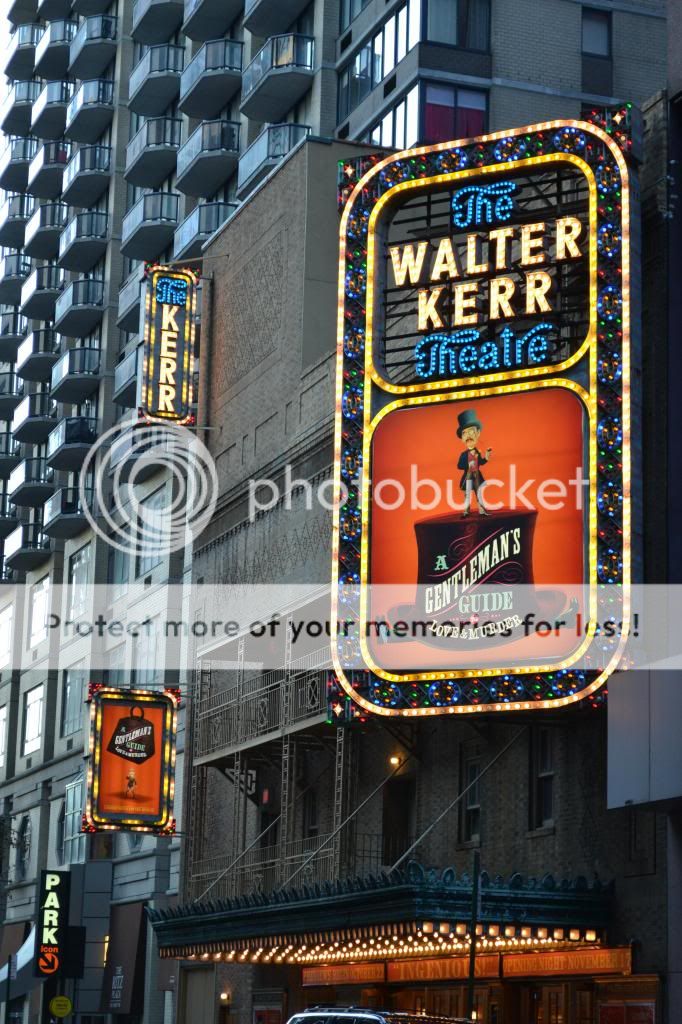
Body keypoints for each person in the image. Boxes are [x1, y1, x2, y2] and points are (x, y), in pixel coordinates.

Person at [456, 409, 492, 516]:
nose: (468, 436)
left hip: (476, 476)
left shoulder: (477, 452)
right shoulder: (463, 454)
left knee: (479, 493)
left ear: (477, 433)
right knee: (467, 494)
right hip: (468, 476)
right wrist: (468, 464)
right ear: (462, 438)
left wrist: (486, 457)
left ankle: (482, 510)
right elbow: (459, 466)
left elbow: (480, 462)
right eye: (464, 433)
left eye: (471, 431)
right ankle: (466, 511)